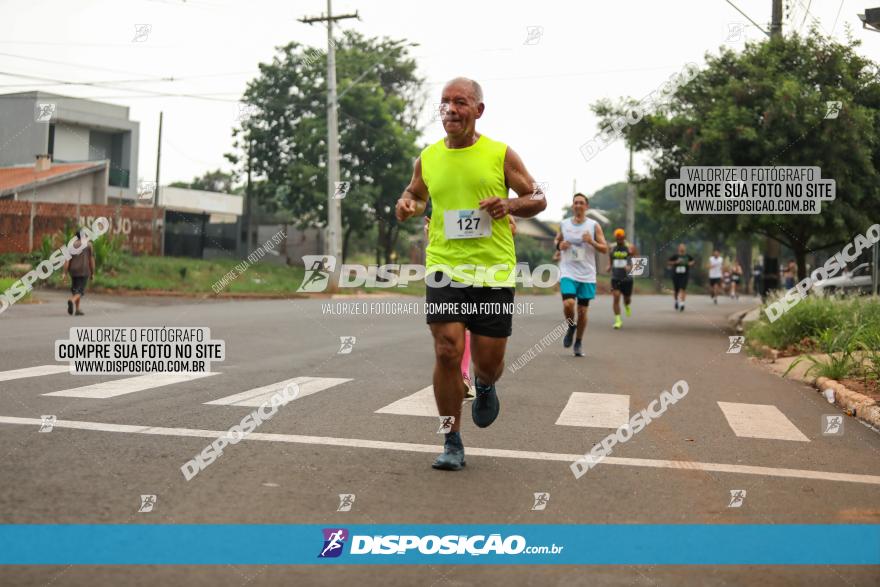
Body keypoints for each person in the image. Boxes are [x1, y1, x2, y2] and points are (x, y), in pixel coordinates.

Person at [396, 77, 546, 471]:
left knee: (488, 362)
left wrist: (509, 206)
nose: (451, 109)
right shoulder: (427, 157)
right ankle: (451, 439)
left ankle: (486, 384)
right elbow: (415, 193)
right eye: (445, 102)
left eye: (460, 102)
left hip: (493, 271)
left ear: (478, 110)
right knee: (447, 350)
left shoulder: (499, 154)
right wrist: (407, 203)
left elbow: (537, 197)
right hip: (445, 268)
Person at [424, 201, 517, 401]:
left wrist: (500, 228)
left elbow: (511, 228)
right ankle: (464, 376)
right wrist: (433, 230)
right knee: (452, 336)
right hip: (449, 271)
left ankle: (484, 381)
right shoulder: (446, 201)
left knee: (488, 361)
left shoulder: (489, 198)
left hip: (488, 274)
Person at [555, 193, 608, 355]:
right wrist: (559, 246)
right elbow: (557, 241)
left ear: (587, 207)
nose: (578, 205)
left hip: (587, 274)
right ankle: (571, 326)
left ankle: (578, 342)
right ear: (572, 206)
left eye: (581, 203)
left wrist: (591, 241)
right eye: (576, 202)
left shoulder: (594, 226)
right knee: (568, 304)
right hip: (568, 271)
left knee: (583, 311)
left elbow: (605, 248)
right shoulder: (564, 224)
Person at [606, 228, 636, 329]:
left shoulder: (630, 247)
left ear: (624, 237)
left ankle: (627, 305)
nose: (619, 239)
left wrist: (630, 267)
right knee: (616, 297)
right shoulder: (612, 247)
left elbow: (637, 260)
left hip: (627, 279)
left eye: (621, 238)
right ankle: (618, 320)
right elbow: (611, 258)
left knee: (627, 299)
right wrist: (609, 266)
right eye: (617, 238)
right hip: (616, 277)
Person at [62, 229, 95, 316]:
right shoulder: (88, 245)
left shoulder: (70, 246)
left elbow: (67, 261)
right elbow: (91, 260)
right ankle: (71, 301)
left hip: (73, 271)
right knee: (80, 292)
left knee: (76, 290)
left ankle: (77, 310)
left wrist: (64, 273)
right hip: (84, 270)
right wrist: (92, 272)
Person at [667, 243, 695, 312]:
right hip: (676, 275)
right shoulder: (675, 256)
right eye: (681, 247)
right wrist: (676, 262)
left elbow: (693, 261)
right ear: (678, 248)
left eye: (683, 247)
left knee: (683, 289)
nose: (682, 248)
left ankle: (682, 304)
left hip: (685, 275)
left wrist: (690, 263)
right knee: (676, 290)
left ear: (685, 248)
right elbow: (669, 262)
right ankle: (676, 301)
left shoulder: (688, 256)